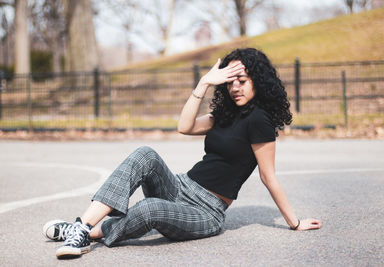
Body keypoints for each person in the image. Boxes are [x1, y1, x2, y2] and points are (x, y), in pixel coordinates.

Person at [43, 48, 322, 259]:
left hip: (206, 212)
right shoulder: (224, 113)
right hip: (179, 186)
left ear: (258, 81)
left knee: (149, 209)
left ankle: (86, 234)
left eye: (242, 80)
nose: (235, 87)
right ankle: (81, 226)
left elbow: (268, 176)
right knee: (145, 154)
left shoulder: (260, 120)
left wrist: (294, 223)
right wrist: (203, 84)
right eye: (230, 82)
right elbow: (184, 126)